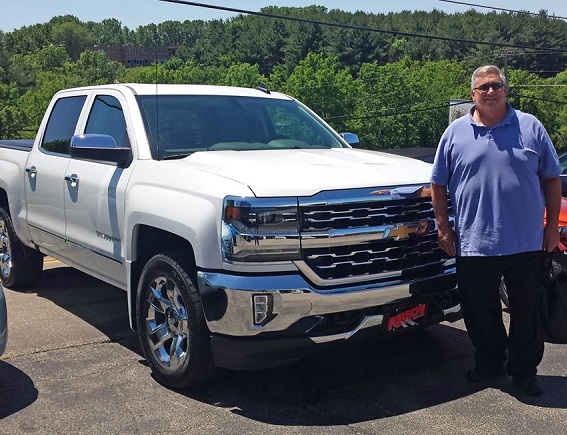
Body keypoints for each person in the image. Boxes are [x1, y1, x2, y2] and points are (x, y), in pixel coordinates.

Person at [431, 65, 562, 397]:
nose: (490, 91)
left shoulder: (530, 127)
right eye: (483, 87)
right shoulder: (455, 133)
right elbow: (437, 183)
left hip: (526, 243)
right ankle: (490, 363)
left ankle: (523, 373)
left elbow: (550, 178)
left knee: (526, 314)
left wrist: (549, 229)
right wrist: (444, 229)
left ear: (505, 89)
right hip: (474, 243)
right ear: (472, 93)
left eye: (496, 85)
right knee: (479, 313)